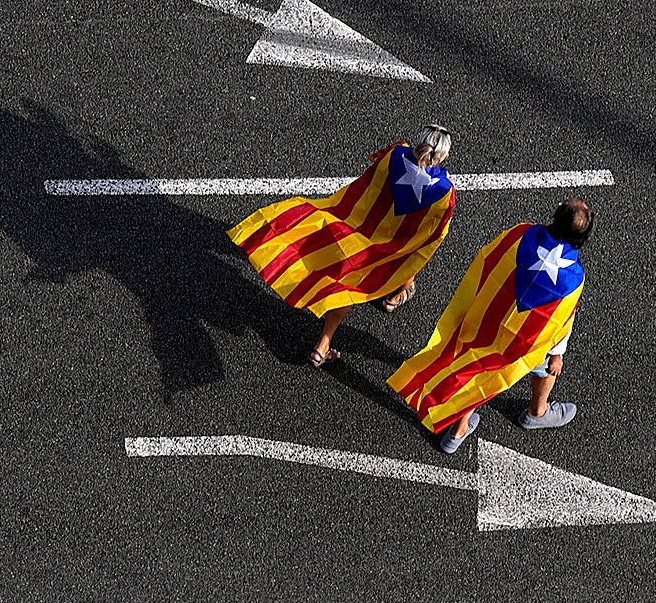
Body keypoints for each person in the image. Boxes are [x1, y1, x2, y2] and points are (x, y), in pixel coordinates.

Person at [228, 125, 455, 367]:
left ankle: (324, 344)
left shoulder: (395, 153)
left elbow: (369, 179)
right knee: (407, 255)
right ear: (445, 156)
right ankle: (385, 302)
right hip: (384, 248)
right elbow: (431, 236)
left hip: (355, 226)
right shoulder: (443, 193)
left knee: (344, 278)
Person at [388, 198, 594, 453]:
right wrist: (557, 354)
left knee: (474, 367)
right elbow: (560, 321)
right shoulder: (573, 277)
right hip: (520, 341)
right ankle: (535, 412)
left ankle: (457, 430)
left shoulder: (523, 233)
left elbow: (489, 260)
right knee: (526, 370)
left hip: (485, 318)